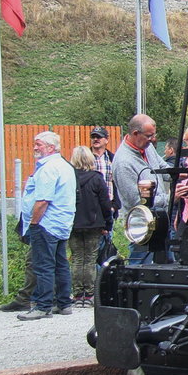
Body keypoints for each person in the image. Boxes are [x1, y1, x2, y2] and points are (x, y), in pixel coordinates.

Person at [17, 131, 77, 320]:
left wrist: (34, 222)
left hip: (46, 223)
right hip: (62, 222)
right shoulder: (65, 165)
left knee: (43, 265)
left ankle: (42, 306)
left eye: (39, 144)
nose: (35, 147)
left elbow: (43, 200)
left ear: (51, 147)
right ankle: (64, 302)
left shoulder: (48, 168)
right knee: (61, 264)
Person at [113, 114, 169, 264]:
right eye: (149, 136)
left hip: (161, 219)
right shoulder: (123, 163)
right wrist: (170, 198)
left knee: (167, 264)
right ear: (135, 134)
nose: (153, 139)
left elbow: (162, 168)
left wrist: (184, 174)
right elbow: (138, 202)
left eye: (154, 135)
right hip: (142, 226)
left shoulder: (147, 146)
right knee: (140, 267)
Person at [69, 146, 112, 306]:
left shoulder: (69, 178)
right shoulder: (96, 178)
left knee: (77, 259)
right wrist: (108, 223)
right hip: (94, 224)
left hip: (73, 224)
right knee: (90, 259)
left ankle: (77, 294)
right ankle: (89, 295)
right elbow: (105, 203)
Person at [89, 126, 120, 264]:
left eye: (99, 137)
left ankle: (103, 276)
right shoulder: (86, 158)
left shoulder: (113, 159)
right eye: (93, 137)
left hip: (108, 207)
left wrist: (114, 205)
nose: (96, 139)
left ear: (106, 140)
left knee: (106, 245)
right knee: (91, 248)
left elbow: (118, 183)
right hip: (90, 209)